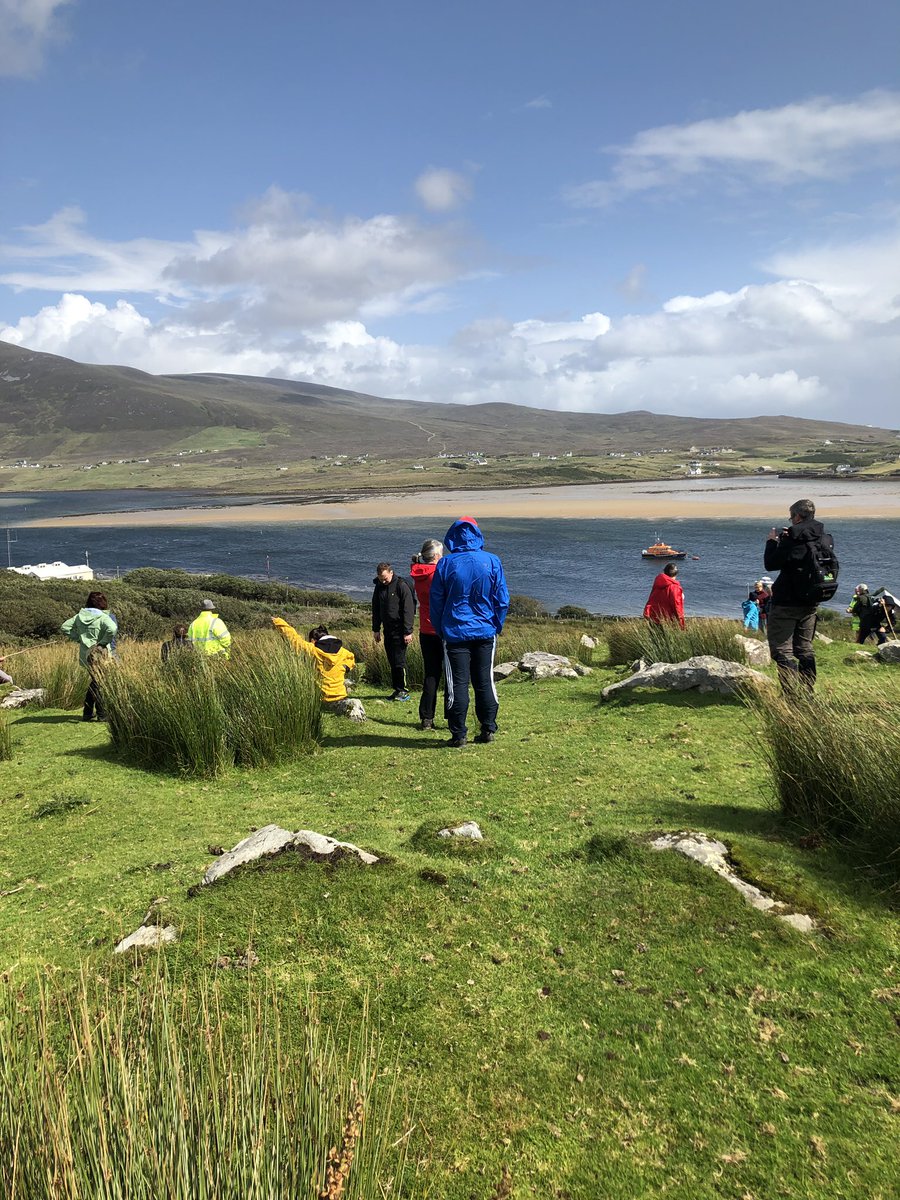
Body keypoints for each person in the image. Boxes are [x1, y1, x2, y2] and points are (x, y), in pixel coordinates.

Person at [429, 517, 509, 748]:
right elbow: (502, 599)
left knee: (458, 683)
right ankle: (488, 728)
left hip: (455, 633)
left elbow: (436, 601)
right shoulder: (492, 561)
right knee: (485, 681)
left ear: (452, 537)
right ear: (478, 534)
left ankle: (459, 734)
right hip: (485, 630)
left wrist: (440, 629)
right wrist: (497, 625)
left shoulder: (445, 564)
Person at [764, 498, 834, 693]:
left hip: (786, 601)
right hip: (812, 600)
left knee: (781, 650)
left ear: (797, 516)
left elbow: (771, 564)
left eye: (791, 516)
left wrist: (772, 543)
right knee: (804, 648)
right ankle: (807, 690)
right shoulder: (824, 538)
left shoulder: (791, 540)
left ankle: (791, 693)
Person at [271, 618, 365, 720]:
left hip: (322, 697)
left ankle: (350, 707)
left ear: (312, 640)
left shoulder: (312, 650)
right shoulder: (343, 652)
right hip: (341, 695)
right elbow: (351, 658)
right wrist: (346, 667)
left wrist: (279, 622)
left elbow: (294, 639)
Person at [61, 590, 118, 721]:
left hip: (85, 654)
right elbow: (112, 629)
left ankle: (87, 712)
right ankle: (102, 714)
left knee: (96, 681)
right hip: (100, 654)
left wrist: (79, 638)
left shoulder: (79, 616)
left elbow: (65, 627)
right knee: (100, 683)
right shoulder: (103, 617)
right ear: (103, 603)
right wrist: (103, 642)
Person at [410, 538, 444, 730]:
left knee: (431, 674)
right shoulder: (438, 573)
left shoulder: (417, 573)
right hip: (442, 629)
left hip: (425, 629)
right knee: (451, 673)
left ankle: (426, 718)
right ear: (437, 556)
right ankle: (452, 715)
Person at [371, 562, 415, 701]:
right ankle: (397, 689)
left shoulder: (401, 585)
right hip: (387, 630)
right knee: (391, 661)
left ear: (391, 572)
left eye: (385, 578)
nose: (383, 581)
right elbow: (376, 608)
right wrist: (376, 629)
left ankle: (403, 690)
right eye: (380, 578)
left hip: (400, 629)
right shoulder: (379, 587)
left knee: (399, 661)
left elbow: (409, 609)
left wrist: (408, 631)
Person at [643, 563, 685, 629]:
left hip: (654, 616)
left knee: (655, 638)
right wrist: (680, 621)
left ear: (665, 571)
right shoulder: (674, 587)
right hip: (668, 619)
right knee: (667, 638)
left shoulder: (658, 582)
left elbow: (652, 598)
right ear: (676, 573)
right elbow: (676, 605)